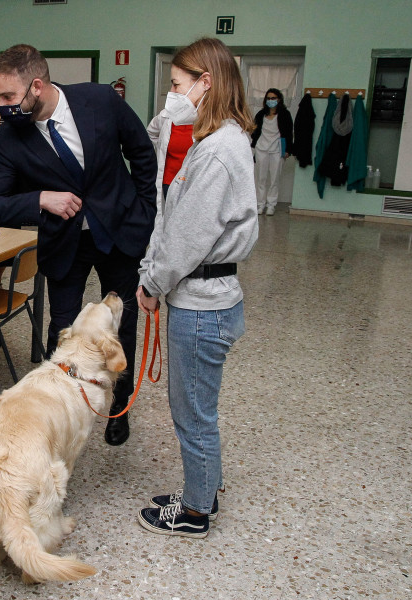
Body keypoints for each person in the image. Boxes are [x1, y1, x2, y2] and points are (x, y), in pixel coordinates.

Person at [0, 44, 157, 447]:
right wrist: (40, 197)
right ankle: (61, 409)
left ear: (36, 86)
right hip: (65, 244)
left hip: (120, 233)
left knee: (122, 323)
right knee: (61, 330)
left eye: (8, 97)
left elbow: (142, 152)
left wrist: (146, 212)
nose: (1, 106)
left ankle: (118, 404)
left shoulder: (99, 99)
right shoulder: (10, 136)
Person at [135, 38, 258, 538]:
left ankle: (194, 512)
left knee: (192, 415)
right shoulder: (221, 141)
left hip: (202, 306)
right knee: (198, 408)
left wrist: (151, 282)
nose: (172, 94)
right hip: (210, 301)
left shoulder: (216, 152)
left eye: (178, 84)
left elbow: (186, 236)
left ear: (205, 84)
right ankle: (203, 489)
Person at [147, 79, 197, 207]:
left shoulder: (206, 121)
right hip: (169, 181)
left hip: (193, 182)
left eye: (176, 85)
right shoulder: (166, 117)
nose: (171, 91)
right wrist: (161, 147)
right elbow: (150, 132)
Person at [250, 88, 293, 215]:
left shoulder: (284, 114)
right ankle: (260, 204)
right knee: (261, 178)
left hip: (277, 149)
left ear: (279, 99)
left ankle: (271, 205)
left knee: (274, 179)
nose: (270, 100)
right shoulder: (260, 114)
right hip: (261, 149)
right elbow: (254, 131)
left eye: (273, 98)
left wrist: (288, 150)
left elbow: (289, 133)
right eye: (268, 98)